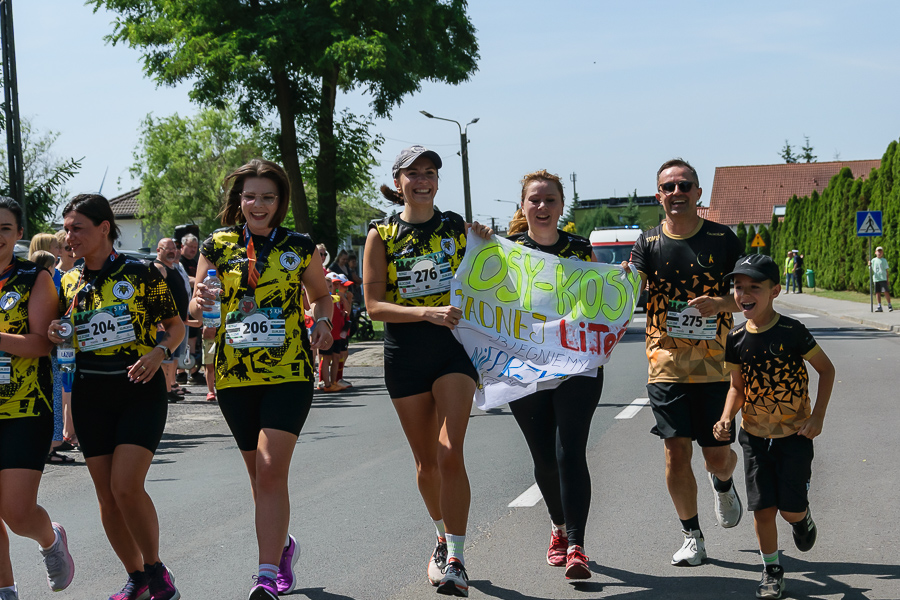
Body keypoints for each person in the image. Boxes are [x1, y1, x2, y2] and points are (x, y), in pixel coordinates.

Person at [189, 159, 333, 600]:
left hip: (289, 370)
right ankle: (282, 544)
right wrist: (200, 299)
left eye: (268, 197)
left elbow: (321, 295)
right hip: (234, 375)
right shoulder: (217, 245)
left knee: (270, 470)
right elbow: (196, 308)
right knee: (259, 478)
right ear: (239, 200)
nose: (258, 204)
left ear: (280, 201)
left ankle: (266, 575)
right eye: (250, 196)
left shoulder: (299, 245)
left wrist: (322, 321)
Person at [364, 145, 487, 598]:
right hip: (405, 355)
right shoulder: (381, 233)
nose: (422, 180)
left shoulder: (456, 227)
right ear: (398, 183)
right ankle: (440, 537)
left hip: (454, 353)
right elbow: (373, 306)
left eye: (430, 172)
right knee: (426, 463)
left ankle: (456, 558)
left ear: (437, 180)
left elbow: (491, 276)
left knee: (450, 451)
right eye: (413, 173)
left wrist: (487, 241)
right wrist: (425, 313)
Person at [49, 193, 184, 600]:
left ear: (104, 227)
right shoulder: (68, 281)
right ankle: (136, 577)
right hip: (90, 394)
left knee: (126, 486)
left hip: (138, 390)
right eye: (66, 229)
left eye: (77, 228)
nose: (69, 237)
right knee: (107, 496)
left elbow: (175, 326)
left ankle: (156, 569)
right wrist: (56, 333)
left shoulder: (141, 272)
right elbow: (60, 334)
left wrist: (159, 352)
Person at [628, 158, 744, 566]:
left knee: (716, 458)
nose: (676, 192)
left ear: (698, 193)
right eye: (669, 187)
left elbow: (750, 295)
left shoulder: (722, 238)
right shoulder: (647, 242)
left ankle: (724, 482)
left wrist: (721, 304)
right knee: (675, 453)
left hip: (716, 366)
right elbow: (631, 291)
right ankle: (692, 535)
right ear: (658, 195)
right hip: (666, 363)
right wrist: (623, 281)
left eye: (684, 185)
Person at [714, 254, 835, 599]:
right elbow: (737, 388)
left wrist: (817, 416)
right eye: (738, 287)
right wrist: (726, 417)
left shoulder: (792, 332)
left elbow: (826, 370)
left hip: (795, 435)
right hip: (754, 437)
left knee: (790, 510)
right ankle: (771, 570)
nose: (744, 294)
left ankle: (802, 519)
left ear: (775, 291)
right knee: (763, 509)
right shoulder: (735, 337)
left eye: (754, 287)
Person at [504, 170, 604, 580]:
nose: (542, 207)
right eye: (535, 200)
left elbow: (603, 300)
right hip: (525, 367)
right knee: (545, 459)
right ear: (523, 205)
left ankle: (577, 544)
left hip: (577, 366)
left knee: (570, 453)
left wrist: (621, 285)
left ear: (562, 206)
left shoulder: (580, 249)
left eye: (550, 200)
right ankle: (558, 527)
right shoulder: (505, 250)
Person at [0, 197, 75, 600]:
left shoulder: (33, 277)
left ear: (18, 233)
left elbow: (41, 344)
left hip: (24, 407)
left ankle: (50, 538)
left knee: (16, 512)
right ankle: (5, 590)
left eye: (4, 228)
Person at [27, 248, 74, 465]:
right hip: (52, 351)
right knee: (54, 396)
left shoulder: (26, 287)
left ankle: (47, 445)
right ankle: (51, 447)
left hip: (31, 355)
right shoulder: (48, 287)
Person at [154, 238, 191, 402]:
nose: (172, 251)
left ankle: (170, 386)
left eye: (174, 248)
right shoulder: (159, 268)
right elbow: (154, 295)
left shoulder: (173, 267)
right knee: (164, 359)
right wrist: (158, 319)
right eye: (167, 248)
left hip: (178, 322)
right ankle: (164, 390)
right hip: (165, 323)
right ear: (158, 250)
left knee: (173, 359)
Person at [54, 231, 78, 451]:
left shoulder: (81, 274)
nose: (72, 252)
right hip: (63, 341)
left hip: (80, 339)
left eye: (73, 247)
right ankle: (67, 431)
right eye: (67, 248)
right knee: (65, 384)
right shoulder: (55, 275)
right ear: (59, 250)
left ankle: (73, 429)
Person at [178, 234, 205, 384]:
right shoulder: (180, 261)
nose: (194, 250)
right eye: (191, 247)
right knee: (182, 339)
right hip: (183, 306)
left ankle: (193, 371)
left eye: (195, 247)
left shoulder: (195, 261)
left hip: (195, 306)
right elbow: (185, 279)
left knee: (193, 340)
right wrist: (199, 281)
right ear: (182, 247)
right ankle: (181, 372)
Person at [869, 246, 892, 312]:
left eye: (880, 251)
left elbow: (886, 270)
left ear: (882, 253)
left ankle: (889, 304)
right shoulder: (873, 260)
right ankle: (879, 305)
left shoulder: (884, 260)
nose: (879, 253)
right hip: (876, 279)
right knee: (877, 292)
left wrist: (887, 279)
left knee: (886, 291)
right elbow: (870, 269)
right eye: (878, 251)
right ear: (875, 252)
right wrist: (869, 264)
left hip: (883, 278)